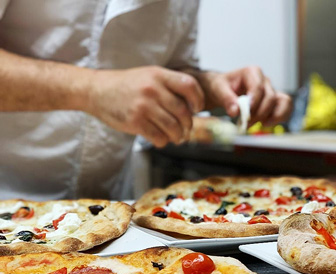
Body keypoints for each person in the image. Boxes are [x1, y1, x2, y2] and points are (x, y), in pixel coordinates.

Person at [0, 0, 292, 200]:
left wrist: (211, 86)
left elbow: (174, 67)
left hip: (106, 206)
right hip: (8, 192)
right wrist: (92, 89)